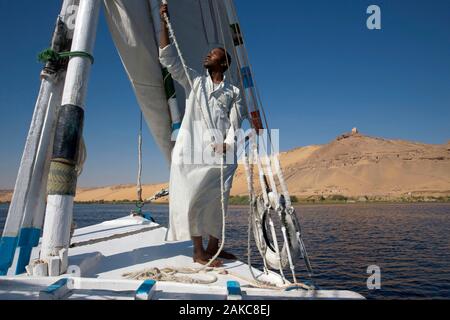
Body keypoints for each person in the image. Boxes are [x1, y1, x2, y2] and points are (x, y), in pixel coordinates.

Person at [159, 3, 246, 267]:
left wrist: (228, 144)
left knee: (219, 202)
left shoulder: (234, 92)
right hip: (193, 154)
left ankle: (214, 248)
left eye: (213, 53)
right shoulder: (195, 82)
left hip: (221, 156)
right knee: (193, 199)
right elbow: (168, 59)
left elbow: (236, 122)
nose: (207, 54)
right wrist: (164, 22)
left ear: (223, 63)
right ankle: (198, 252)